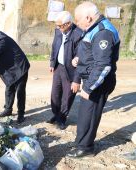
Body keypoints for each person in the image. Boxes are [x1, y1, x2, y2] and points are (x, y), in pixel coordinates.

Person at [67, 1, 120, 158]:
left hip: (98, 82)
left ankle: (86, 148)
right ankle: (81, 142)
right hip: (91, 77)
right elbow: (90, 53)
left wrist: (89, 88)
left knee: (89, 115)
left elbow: (103, 65)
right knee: (85, 114)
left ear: (88, 18)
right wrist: (79, 58)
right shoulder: (93, 28)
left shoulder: (103, 32)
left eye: (78, 20)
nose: (76, 24)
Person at [47, 11, 82, 130]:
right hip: (58, 67)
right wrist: (52, 62)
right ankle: (56, 115)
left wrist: (77, 80)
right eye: (56, 25)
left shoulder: (78, 34)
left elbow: (81, 59)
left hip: (71, 70)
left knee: (67, 96)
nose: (57, 28)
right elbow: (54, 46)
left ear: (68, 24)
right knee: (55, 94)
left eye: (60, 26)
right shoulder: (58, 31)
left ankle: (62, 118)